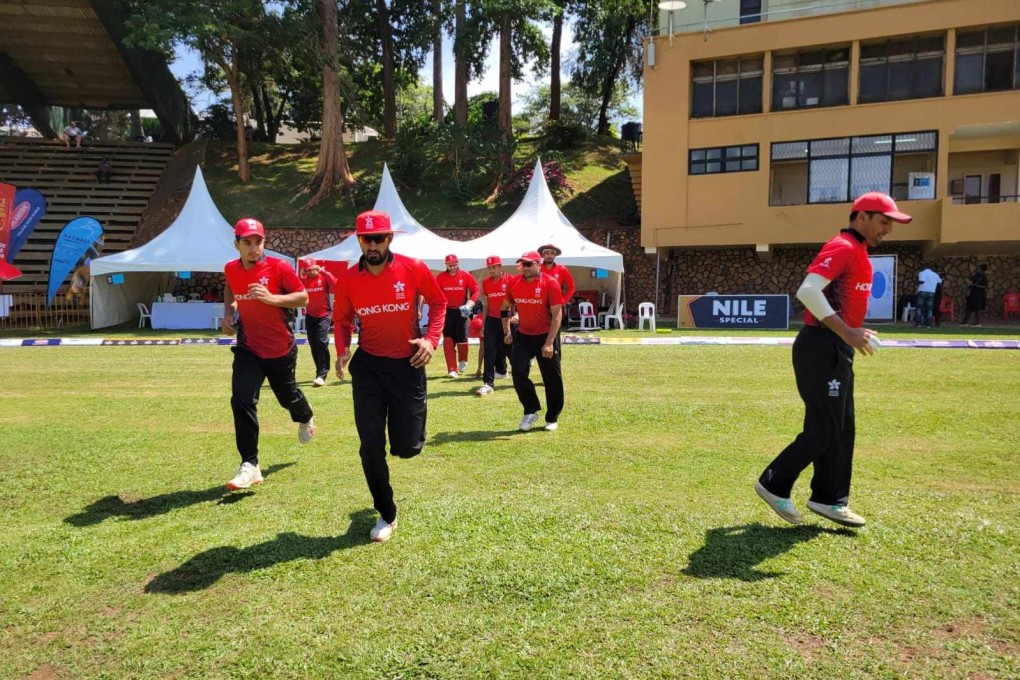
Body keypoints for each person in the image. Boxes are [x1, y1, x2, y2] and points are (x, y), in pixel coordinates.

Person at [755, 191, 911, 528]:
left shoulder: (859, 251)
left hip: (835, 345)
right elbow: (808, 291)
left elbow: (837, 303)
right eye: (885, 222)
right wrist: (847, 332)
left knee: (842, 426)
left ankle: (829, 499)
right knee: (825, 426)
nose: (889, 229)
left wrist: (853, 330)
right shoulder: (843, 246)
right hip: (820, 346)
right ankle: (774, 482)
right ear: (862, 217)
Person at [333, 210, 447, 543]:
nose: (372, 245)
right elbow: (342, 320)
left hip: (407, 366)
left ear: (390, 239)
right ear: (359, 240)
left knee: (407, 447)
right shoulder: (349, 279)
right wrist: (342, 349)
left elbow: (438, 303)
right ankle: (387, 513)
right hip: (368, 368)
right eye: (366, 239)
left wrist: (431, 339)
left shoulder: (413, 268)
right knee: (370, 446)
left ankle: (410, 436)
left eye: (379, 238)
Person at [221, 218, 316, 491]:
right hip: (248, 346)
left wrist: (272, 299)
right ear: (236, 244)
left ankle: (305, 415)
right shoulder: (231, 268)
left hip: (280, 349)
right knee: (241, 401)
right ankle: (249, 465)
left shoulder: (279, 267)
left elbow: (303, 297)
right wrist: (230, 311)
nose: (254, 248)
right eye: (247, 243)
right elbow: (231, 287)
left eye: (258, 242)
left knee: (288, 398)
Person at [502, 250, 565, 432]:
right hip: (522, 334)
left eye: (529, 264)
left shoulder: (550, 283)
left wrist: (549, 342)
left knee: (551, 377)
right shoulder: (514, 283)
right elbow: (505, 307)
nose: (525, 268)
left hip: (545, 335)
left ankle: (552, 416)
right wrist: (507, 330)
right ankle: (531, 410)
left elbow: (557, 314)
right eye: (522, 264)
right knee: (518, 373)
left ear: (539, 264)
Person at [435, 253, 479, 377]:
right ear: (446, 265)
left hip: (462, 310)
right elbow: (436, 293)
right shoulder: (441, 277)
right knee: (448, 339)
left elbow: (475, 289)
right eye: (450, 265)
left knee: (461, 336)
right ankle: (452, 369)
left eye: (454, 265)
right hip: (447, 311)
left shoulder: (465, 275)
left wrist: (470, 303)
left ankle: (463, 360)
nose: (452, 267)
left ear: (457, 264)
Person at [298, 256, 338, 387]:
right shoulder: (303, 281)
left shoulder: (323, 277)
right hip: (310, 315)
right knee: (314, 344)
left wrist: (323, 271)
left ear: (316, 267)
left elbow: (336, 284)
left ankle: (322, 374)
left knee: (321, 341)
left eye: (312, 269)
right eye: (307, 270)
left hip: (324, 314)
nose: (310, 272)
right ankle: (319, 371)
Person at [475, 255, 511, 396]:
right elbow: (486, 305)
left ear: (500, 267)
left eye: (494, 267)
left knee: (510, 350)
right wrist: (484, 324)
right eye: (489, 268)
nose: (492, 270)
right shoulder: (486, 282)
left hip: (506, 319)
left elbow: (515, 301)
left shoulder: (510, 280)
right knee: (489, 350)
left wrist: (516, 317)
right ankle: (488, 383)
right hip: (491, 319)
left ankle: (520, 377)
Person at [537, 243, 575, 351]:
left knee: (555, 336)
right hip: (540, 307)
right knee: (538, 334)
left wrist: (563, 301)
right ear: (543, 255)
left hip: (555, 308)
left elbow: (571, 287)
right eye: (547, 253)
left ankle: (555, 358)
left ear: (555, 255)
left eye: (552, 253)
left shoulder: (562, 269)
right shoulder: (537, 269)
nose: (549, 255)